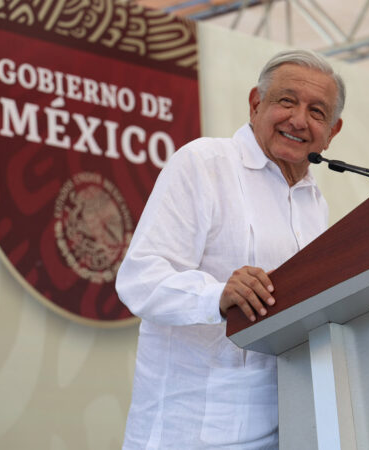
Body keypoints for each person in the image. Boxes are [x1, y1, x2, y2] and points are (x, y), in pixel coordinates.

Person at [115, 49, 344, 449]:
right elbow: (140, 279)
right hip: (188, 433)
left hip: (283, 431)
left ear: (333, 131)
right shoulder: (204, 163)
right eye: (286, 101)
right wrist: (216, 294)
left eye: (317, 112)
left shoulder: (314, 202)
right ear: (256, 104)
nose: (298, 120)